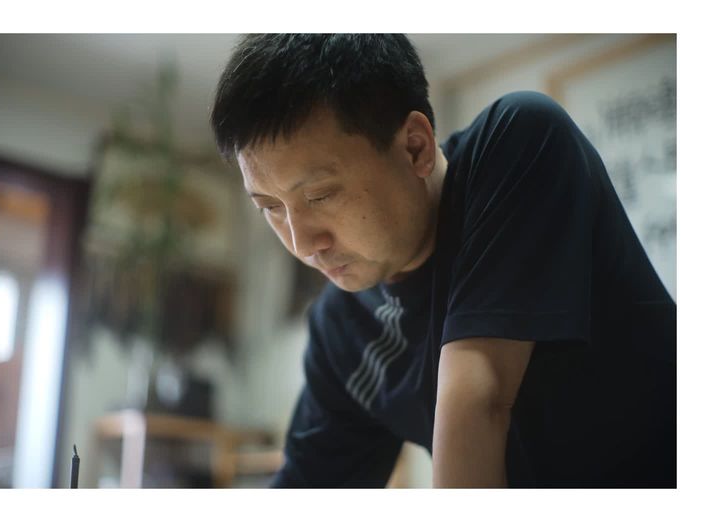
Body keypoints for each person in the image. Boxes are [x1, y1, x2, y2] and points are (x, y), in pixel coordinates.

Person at [210, 34, 676, 488]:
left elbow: (478, 400)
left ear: (415, 146)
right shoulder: (342, 329)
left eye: (320, 195)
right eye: (270, 207)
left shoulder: (516, 144)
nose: (302, 242)